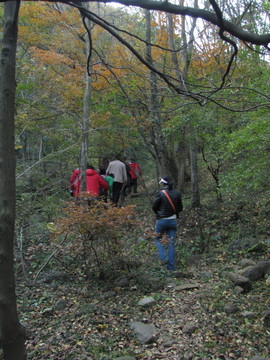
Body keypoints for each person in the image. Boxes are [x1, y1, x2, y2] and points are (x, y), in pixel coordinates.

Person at [152, 175, 183, 271]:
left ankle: (163, 257)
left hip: (162, 220)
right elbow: (180, 208)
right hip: (173, 221)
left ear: (163, 183)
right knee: (171, 244)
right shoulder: (177, 193)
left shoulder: (160, 193)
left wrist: (159, 213)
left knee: (157, 239)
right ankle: (171, 268)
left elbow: (154, 207)